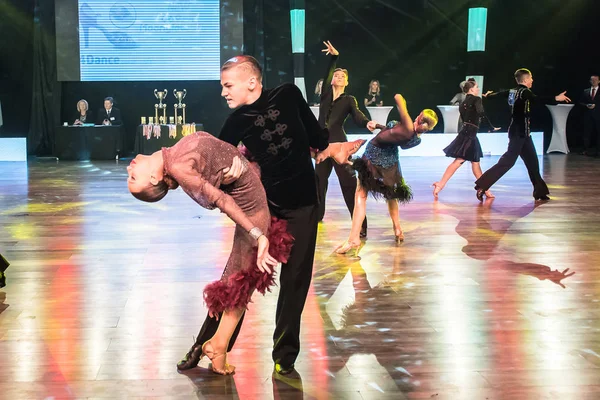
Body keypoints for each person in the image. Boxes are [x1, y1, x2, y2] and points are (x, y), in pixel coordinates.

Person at [177, 55, 363, 376]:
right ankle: (205, 344)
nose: (223, 92)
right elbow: (218, 160)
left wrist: (333, 147)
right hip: (264, 209)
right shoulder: (235, 122)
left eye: (227, 85)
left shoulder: (289, 94)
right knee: (236, 279)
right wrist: (231, 167)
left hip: (304, 205)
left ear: (252, 81)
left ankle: (284, 355)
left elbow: (317, 139)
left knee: (295, 284)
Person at [127, 131, 293, 375]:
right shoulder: (178, 166)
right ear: (153, 178)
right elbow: (221, 200)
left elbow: (216, 154)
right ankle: (217, 347)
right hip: (253, 213)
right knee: (241, 282)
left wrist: (238, 160)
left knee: (238, 280)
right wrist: (257, 233)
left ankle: (217, 348)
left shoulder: (174, 156)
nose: (129, 169)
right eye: (132, 177)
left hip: (254, 200)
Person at [319, 93, 438, 256]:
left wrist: (404, 107)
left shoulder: (408, 125)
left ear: (420, 119)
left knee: (360, 195)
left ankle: (354, 238)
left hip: (374, 157)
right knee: (391, 195)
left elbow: (397, 98)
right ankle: (397, 227)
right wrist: (380, 126)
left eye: (420, 116)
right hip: (390, 162)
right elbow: (393, 135)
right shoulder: (416, 139)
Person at [474, 68, 571, 201]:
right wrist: (556, 98)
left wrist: (489, 96)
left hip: (522, 132)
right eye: (531, 78)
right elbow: (537, 99)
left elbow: (500, 94)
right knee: (508, 161)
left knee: (533, 163)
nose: (532, 80)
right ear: (525, 80)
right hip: (519, 132)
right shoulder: (525, 92)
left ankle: (540, 192)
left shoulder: (513, 91)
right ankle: (482, 185)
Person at [316, 41, 377, 238]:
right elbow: (327, 74)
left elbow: (358, 116)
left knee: (349, 184)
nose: (339, 77)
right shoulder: (325, 96)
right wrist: (334, 58)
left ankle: (361, 225)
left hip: (340, 145)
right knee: (318, 181)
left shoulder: (349, 100)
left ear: (347, 82)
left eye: (343, 76)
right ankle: (317, 216)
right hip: (322, 146)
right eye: (336, 75)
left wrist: (367, 122)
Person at [432, 78, 500, 199]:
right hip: (470, 135)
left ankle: (486, 189)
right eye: (477, 87)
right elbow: (481, 113)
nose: (478, 89)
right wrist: (490, 127)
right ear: (471, 89)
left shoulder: (463, 103)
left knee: (474, 163)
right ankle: (440, 185)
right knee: (460, 161)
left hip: (467, 133)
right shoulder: (477, 99)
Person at [580, 74, 600, 156]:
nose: (594, 81)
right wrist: (586, 105)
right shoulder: (586, 91)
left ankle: (598, 150)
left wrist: (596, 106)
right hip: (587, 115)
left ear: (599, 81)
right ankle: (585, 149)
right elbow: (580, 102)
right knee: (587, 133)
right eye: (592, 80)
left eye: (595, 80)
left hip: (598, 115)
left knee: (598, 133)